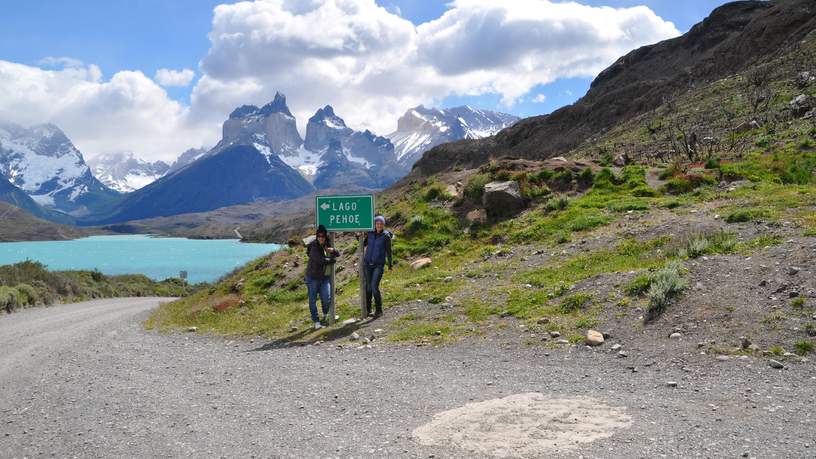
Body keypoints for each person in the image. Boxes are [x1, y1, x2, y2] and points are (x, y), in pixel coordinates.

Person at [305, 225, 339, 329]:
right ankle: (316, 321)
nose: (321, 238)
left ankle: (325, 314)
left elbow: (338, 253)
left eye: (323, 236)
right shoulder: (313, 246)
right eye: (319, 236)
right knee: (312, 300)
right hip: (312, 277)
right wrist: (332, 260)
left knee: (326, 298)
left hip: (324, 278)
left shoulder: (327, 244)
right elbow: (320, 260)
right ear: (316, 236)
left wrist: (333, 250)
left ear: (325, 236)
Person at [363, 215, 392, 318]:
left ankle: (379, 310)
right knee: (368, 287)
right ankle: (368, 310)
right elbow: (363, 244)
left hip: (378, 265)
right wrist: (358, 236)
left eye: (381, 224)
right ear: (374, 224)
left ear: (383, 225)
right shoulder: (370, 234)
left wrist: (390, 264)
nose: (379, 225)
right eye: (377, 223)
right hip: (367, 264)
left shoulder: (386, 236)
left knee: (374, 287)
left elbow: (389, 251)